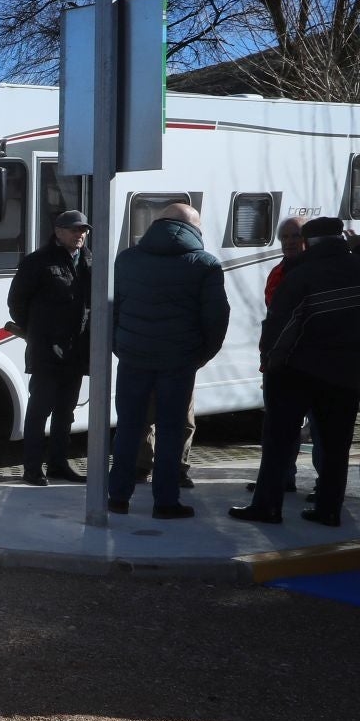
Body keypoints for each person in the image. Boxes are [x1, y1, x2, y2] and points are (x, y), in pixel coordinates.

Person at [232, 217, 360, 527]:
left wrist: (271, 362)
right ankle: (329, 510)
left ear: (309, 242)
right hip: (346, 375)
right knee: (335, 447)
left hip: (297, 373)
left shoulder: (300, 274)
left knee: (279, 442)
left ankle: (267, 507)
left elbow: (282, 327)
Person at [107, 203, 229, 519]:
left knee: (129, 429)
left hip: (133, 358)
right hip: (178, 362)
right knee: (172, 431)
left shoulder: (128, 259)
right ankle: (165, 502)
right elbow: (216, 318)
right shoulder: (205, 265)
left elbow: (115, 307)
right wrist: (201, 355)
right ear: (193, 230)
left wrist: (121, 345)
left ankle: (118, 497)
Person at [7, 209, 92, 485]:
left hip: (77, 349)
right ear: (58, 232)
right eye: (74, 229)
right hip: (46, 349)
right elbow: (17, 303)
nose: (80, 235)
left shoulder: (90, 261)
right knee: (39, 409)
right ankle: (32, 467)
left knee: (65, 412)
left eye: (83, 230)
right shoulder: (38, 262)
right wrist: (38, 331)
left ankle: (58, 464)